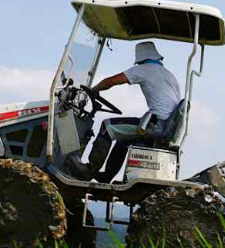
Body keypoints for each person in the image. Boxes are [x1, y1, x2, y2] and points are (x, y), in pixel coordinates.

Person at [65, 41, 182, 181]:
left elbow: (111, 81)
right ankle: (106, 176)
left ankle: (89, 170)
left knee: (106, 126)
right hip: (165, 125)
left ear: (141, 58)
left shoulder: (145, 69)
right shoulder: (168, 74)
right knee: (123, 139)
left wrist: (94, 90)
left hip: (156, 125)